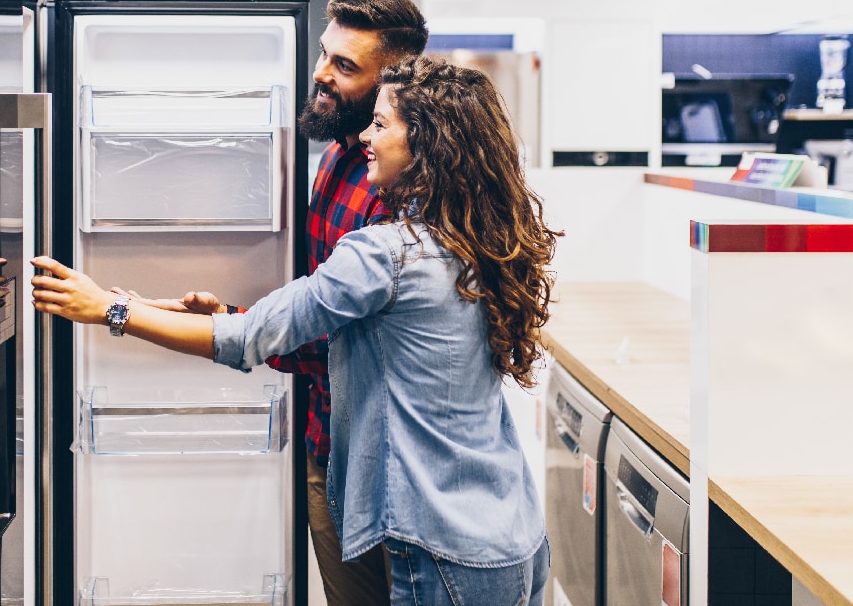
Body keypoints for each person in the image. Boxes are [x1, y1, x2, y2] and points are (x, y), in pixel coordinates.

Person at [32, 56, 559, 605]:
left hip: (441, 550)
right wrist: (207, 313)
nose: (366, 136)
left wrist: (108, 311)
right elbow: (324, 332)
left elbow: (248, 338)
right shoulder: (479, 237)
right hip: (513, 533)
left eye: (380, 124)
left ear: (426, 144)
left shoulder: (386, 254)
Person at [135, 0, 427, 605]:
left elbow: (333, 337)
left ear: (392, 83)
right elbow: (316, 300)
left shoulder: (399, 192)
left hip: (390, 465)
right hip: (326, 438)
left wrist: (125, 314)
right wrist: (232, 316)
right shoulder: (338, 156)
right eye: (324, 54)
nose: (320, 74)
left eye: (344, 66)